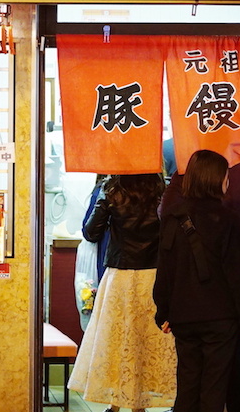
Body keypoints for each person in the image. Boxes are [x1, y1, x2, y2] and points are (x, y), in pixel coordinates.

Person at [154, 150, 240, 412]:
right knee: (214, 387)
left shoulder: (172, 217)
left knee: (187, 384)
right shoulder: (228, 219)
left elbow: (165, 268)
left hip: (183, 317)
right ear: (216, 179)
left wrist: (163, 311)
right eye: (225, 176)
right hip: (220, 318)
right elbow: (239, 275)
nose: (228, 181)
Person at [69, 174, 177, 412]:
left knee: (118, 338)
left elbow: (91, 232)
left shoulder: (112, 189)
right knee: (149, 339)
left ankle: (116, 403)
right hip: (154, 274)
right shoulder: (163, 190)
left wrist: (105, 200)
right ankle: (140, 404)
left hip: (120, 273)